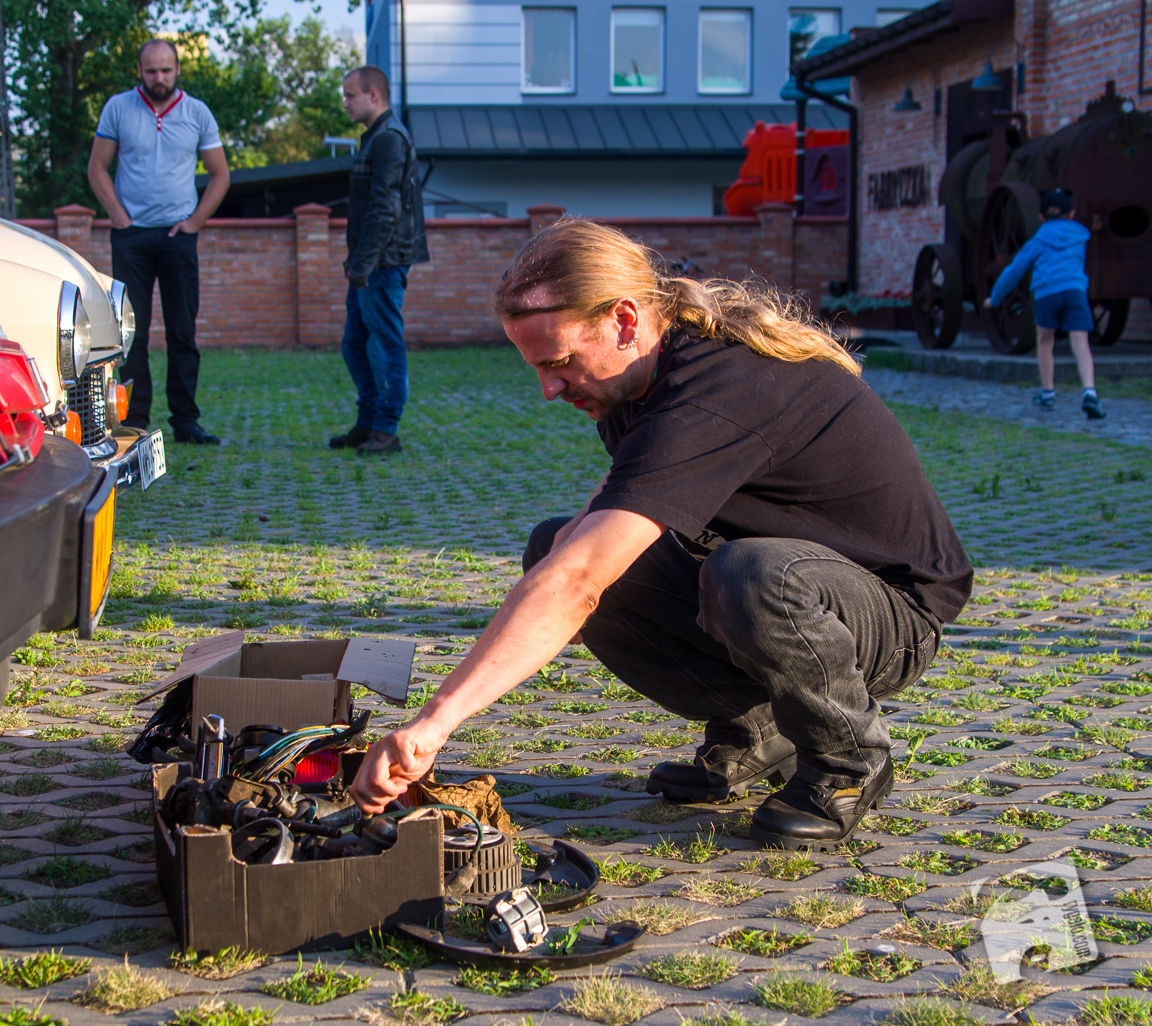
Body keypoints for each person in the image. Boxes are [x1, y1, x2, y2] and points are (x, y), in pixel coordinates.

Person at [351, 221, 973, 852]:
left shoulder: (719, 385)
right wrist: (568, 576)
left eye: (560, 363)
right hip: (799, 588)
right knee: (556, 546)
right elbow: (588, 543)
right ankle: (758, 728)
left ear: (625, 320)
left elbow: (579, 582)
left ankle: (848, 759)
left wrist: (432, 725)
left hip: (890, 614)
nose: (549, 389)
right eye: (538, 369)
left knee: (748, 577)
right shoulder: (636, 384)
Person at [88, 38, 230, 445]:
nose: (159, 78)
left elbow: (220, 175)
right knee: (131, 334)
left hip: (177, 237)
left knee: (182, 332)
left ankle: (185, 420)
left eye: (166, 70)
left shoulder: (197, 112)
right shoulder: (118, 107)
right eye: (151, 70)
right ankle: (134, 419)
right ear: (139, 70)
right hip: (131, 238)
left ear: (178, 69)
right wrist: (118, 217)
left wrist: (195, 223)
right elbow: (97, 168)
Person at [328, 65, 429, 456]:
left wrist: (364, 264)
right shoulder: (374, 138)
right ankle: (369, 422)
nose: (345, 103)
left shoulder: (389, 138)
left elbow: (385, 209)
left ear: (373, 95)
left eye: (350, 95)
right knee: (354, 345)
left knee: (385, 347)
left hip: (382, 265)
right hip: (368, 265)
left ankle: (385, 429)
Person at [986, 190, 1105, 419]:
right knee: (1081, 343)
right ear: (1071, 214)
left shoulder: (1037, 242)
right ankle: (1090, 392)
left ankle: (1048, 393)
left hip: (1046, 294)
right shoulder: (1080, 237)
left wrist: (996, 298)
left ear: (1041, 217)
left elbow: (1014, 271)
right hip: (1075, 291)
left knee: (1045, 340)